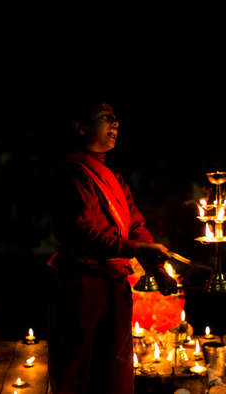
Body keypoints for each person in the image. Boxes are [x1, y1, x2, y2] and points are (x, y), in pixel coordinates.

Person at [47, 99, 178, 394]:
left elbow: (135, 225)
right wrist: (135, 250)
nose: (115, 123)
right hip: (83, 287)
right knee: (80, 371)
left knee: (115, 372)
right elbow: (81, 233)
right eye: (105, 117)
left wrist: (157, 270)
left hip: (114, 287)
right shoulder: (72, 174)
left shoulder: (114, 177)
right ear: (80, 127)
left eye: (116, 119)